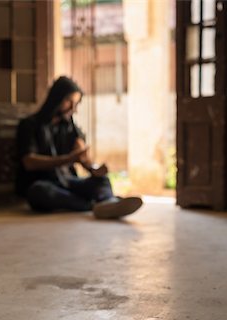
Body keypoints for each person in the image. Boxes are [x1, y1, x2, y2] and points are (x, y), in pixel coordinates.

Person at [15, 76, 143, 219]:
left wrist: (94, 170)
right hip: (45, 183)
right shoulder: (29, 125)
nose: (73, 109)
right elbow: (29, 162)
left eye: (75, 103)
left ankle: (105, 202)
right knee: (39, 192)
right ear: (56, 99)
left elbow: (81, 155)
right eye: (69, 102)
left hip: (69, 181)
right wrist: (68, 159)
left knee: (102, 181)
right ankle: (97, 205)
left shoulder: (69, 126)